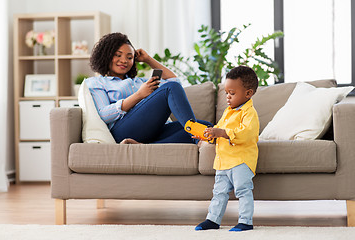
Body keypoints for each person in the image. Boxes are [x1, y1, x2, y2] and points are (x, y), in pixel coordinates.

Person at [87, 32, 210, 144]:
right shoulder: (97, 82)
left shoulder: (140, 82)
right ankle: (193, 130)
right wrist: (139, 95)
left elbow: (175, 81)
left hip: (153, 131)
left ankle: (145, 146)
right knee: (170, 90)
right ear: (106, 56)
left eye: (130, 57)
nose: (124, 60)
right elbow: (104, 115)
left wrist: (148, 59)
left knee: (207, 127)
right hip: (123, 131)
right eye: (118, 55)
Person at [195, 66, 260, 232]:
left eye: (232, 93)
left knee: (243, 190)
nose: (228, 97)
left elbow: (246, 134)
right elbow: (219, 129)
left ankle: (245, 221)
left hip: (241, 161)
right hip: (223, 161)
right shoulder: (228, 111)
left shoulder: (249, 113)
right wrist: (209, 135)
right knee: (219, 192)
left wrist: (222, 132)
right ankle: (213, 219)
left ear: (248, 93)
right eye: (226, 93)